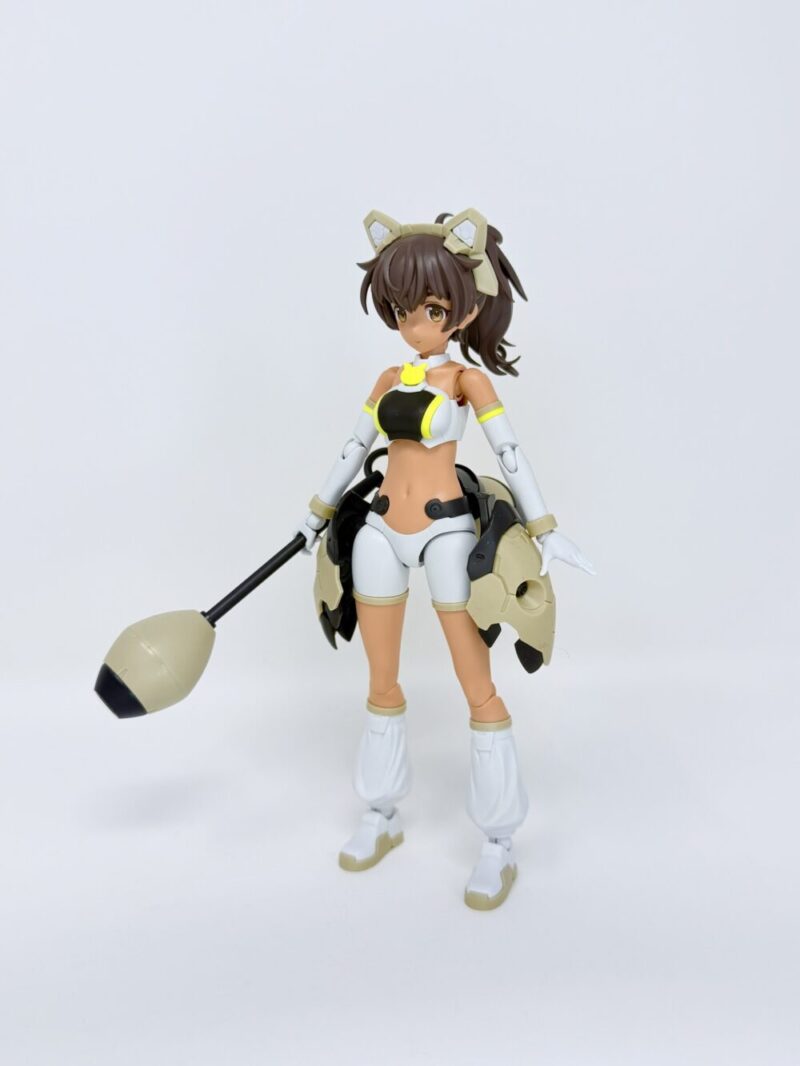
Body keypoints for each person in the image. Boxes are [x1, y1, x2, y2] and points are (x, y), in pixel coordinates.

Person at [296, 209, 593, 910]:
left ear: (463, 309)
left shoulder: (466, 382)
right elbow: (352, 449)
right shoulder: (387, 377)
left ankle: (498, 838)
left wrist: (546, 529)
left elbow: (510, 453)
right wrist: (316, 513)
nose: (414, 324)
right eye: (403, 309)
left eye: (430, 309)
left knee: (475, 682)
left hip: (446, 533)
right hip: (379, 529)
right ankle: (381, 811)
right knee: (381, 678)